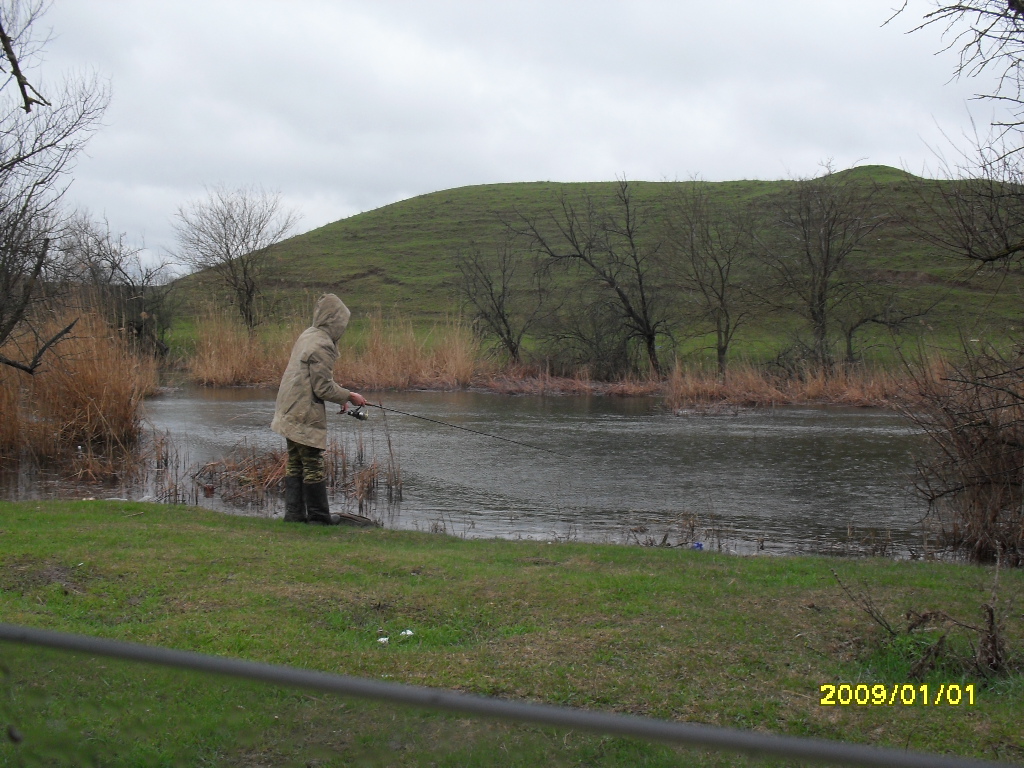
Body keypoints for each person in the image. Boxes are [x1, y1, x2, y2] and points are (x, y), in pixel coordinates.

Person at [271, 293, 367, 524]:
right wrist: (350, 396)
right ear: (335, 321)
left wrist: (340, 397)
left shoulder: (308, 335)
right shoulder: (323, 344)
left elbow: (315, 381)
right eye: (342, 322)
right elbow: (323, 388)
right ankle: (319, 518)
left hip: (289, 406)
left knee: (295, 461)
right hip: (303, 410)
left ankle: (294, 515)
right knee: (313, 462)